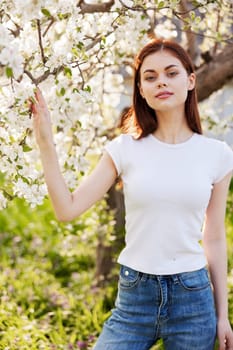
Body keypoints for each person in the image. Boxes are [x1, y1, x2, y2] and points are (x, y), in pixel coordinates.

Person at [31, 38, 233, 350]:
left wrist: (223, 315)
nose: (161, 82)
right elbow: (67, 210)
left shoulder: (217, 154)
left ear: (191, 80)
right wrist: (46, 141)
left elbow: (215, 237)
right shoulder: (124, 149)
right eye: (149, 77)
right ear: (140, 89)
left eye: (171, 73)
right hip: (135, 297)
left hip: (193, 298)